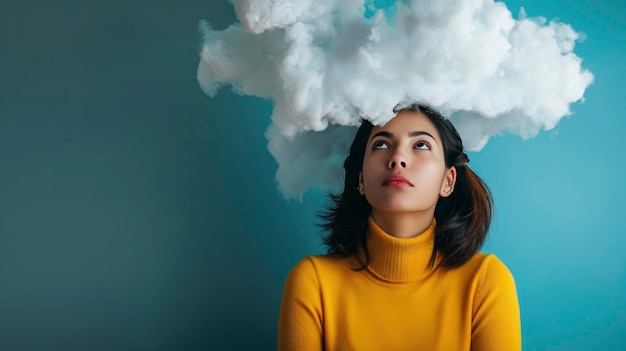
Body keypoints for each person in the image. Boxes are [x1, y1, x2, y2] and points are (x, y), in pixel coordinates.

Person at [277, 103, 521, 350]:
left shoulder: (484, 281)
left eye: (421, 145)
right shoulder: (313, 282)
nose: (397, 159)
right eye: (381, 144)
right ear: (361, 178)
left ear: (448, 181)